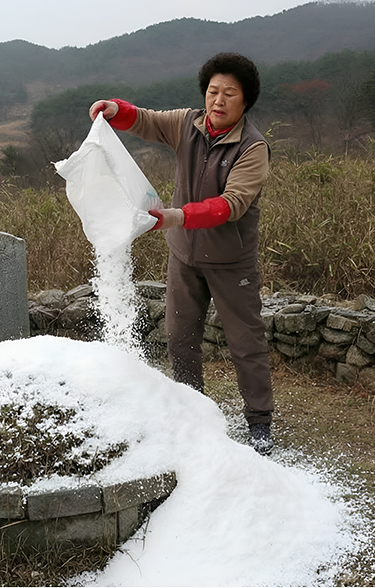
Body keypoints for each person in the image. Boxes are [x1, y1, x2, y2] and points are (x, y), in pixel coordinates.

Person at [88, 52, 274, 455]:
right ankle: (193, 413)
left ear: (245, 101)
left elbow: (232, 204)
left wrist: (175, 216)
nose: (218, 101)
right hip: (184, 257)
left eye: (229, 94)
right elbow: (146, 120)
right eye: (213, 91)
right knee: (180, 337)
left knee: (246, 343)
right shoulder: (187, 124)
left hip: (230, 262)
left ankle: (259, 423)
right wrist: (115, 109)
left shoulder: (252, 147)